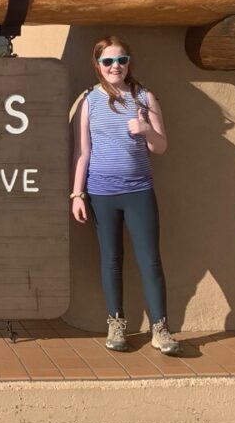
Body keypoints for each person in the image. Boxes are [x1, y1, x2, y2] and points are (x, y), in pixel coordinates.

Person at [70, 36, 182, 355]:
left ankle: (160, 328)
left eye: (121, 60)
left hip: (139, 191)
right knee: (111, 259)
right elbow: (82, 151)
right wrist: (77, 194)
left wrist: (146, 129)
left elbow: (160, 147)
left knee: (150, 260)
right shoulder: (89, 100)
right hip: (101, 193)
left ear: (129, 62)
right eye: (108, 61)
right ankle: (116, 324)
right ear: (97, 66)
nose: (115, 66)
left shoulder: (144, 98)